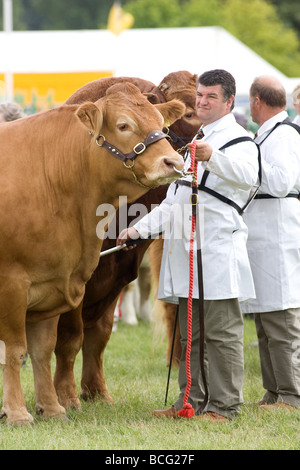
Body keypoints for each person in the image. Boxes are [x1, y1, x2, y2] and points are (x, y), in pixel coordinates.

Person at [117, 69, 259, 421]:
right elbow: (173, 203)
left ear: (229, 101)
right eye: (200, 95)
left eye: (211, 96)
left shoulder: (239, 140)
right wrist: (137, 230)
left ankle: (224, 406)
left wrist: (214, 157)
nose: (202, 101)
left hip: (216, 250)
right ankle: (189, 402)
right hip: (186, 251)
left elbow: (250, 177)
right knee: (189, 335)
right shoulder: (194, 142)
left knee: (222, 335)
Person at [241, 75, 300, 411]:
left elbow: (280, 181)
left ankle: (292, 395)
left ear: (258, 102)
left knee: (282, 318)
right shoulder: (267, 134)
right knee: (265, 319)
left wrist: (247, 165)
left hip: (278, 231)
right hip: (263, 234)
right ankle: (273, 390)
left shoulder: (284, 135)